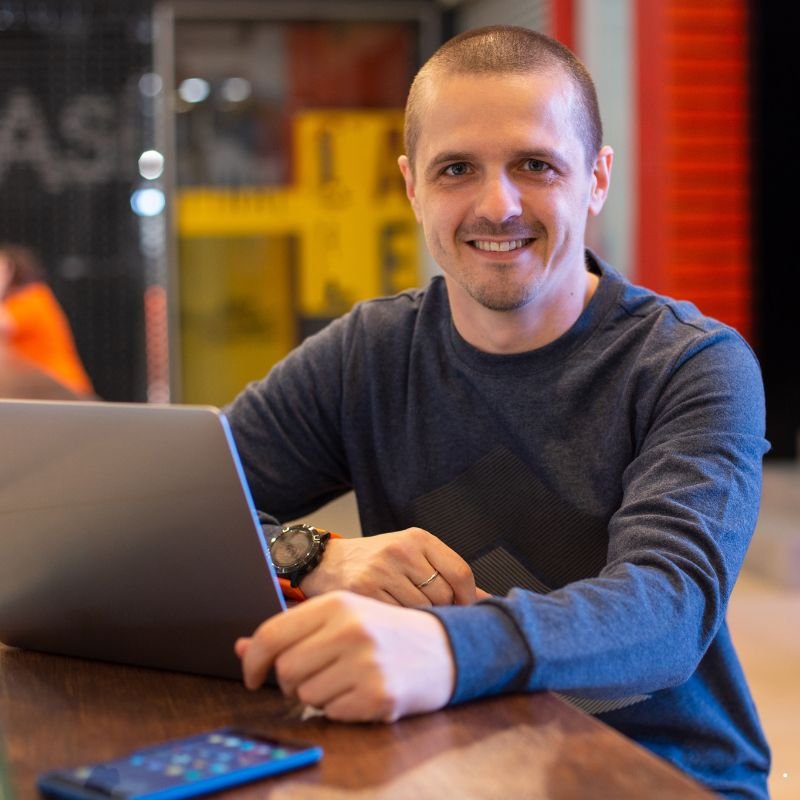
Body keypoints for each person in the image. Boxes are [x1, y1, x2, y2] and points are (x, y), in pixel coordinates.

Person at [226, 26, 770, 799]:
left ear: (597, 178)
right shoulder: (366, 355)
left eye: (535, 165)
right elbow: (170, 518)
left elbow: (667, 611)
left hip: (661, 773)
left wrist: (444, 646)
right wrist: (312, 556)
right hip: (443, 760)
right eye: (457, 169)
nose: (497, 205)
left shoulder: (690, 364)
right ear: (413, 186)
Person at [0, 243, 93, 397]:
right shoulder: (11, 304)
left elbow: (4, 325)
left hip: (61, 389)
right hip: (32, 390)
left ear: (11, 272)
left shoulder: (34, 297)